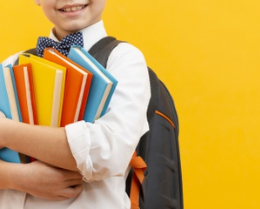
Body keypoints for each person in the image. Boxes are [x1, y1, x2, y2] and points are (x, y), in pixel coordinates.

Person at [0, 0, 150, 208]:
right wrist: (15, 177)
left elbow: (107, 153)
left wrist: (5, 132)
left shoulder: (123, 60)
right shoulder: (11, 65)